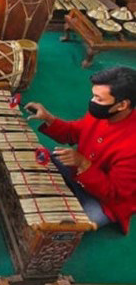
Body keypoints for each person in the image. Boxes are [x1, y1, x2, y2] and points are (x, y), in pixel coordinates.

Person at [26, 67, 136, 233]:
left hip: (104, 201)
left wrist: (84, 164)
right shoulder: (103, 113)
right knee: (33, 156)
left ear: (122, 105)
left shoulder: (132, 147)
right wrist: (49, 118)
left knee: (65, 230)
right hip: (76, 171)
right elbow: (74, 132)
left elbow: (114, 193)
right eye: (93, 95)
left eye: (99, 99)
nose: (92, 101)